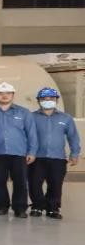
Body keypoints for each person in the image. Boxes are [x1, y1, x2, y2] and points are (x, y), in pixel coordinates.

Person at [0, 82, 38, 218]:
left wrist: (32, 152)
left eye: (8, 93)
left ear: (13, 95)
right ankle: (1, 206)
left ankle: (20, 208)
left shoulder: (24, 112)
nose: (4, 96)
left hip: (19, 153)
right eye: (0, 93)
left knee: (20, 182)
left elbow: (31, 133)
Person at [29, 87, 81, 219]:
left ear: (56, 100)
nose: (48, 101)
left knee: (56, 184)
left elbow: (73, 137)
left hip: (58, 158)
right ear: (38, 101)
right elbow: (26, 136)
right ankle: (37, 206)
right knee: (34, 183)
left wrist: (74, 153)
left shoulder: (66, 118)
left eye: (51, 98)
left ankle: (53, 208)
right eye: (44, 99)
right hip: (36, 157)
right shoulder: (31, 117)